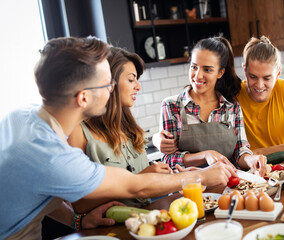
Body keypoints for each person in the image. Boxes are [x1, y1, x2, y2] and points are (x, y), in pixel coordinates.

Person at [0, 36, 236, 240]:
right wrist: (202, 175)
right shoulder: (54, 155)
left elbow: (41, 190)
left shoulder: (21, 116)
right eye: (106, 85)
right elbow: (135, 187)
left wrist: (76, 221)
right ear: (83, 98)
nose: (111, 90)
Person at [68, 47, 173, 211]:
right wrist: (139, 180)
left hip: (147, 219)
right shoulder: (79, 131)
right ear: (108, 82)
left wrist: (172, 175)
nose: (138, 86)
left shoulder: (129, 128)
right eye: (131, 80)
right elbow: (79, 205)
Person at [157, 36, 267, 176]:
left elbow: (240, 151)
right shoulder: (171, 106)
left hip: (229, 188)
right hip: (189, 190)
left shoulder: (231, 107)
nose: (198, 75)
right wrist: (205, 155)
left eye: (207, 70)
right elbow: (168, 159)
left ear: (220, 73)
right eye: (194, 67)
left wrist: (251, 159)